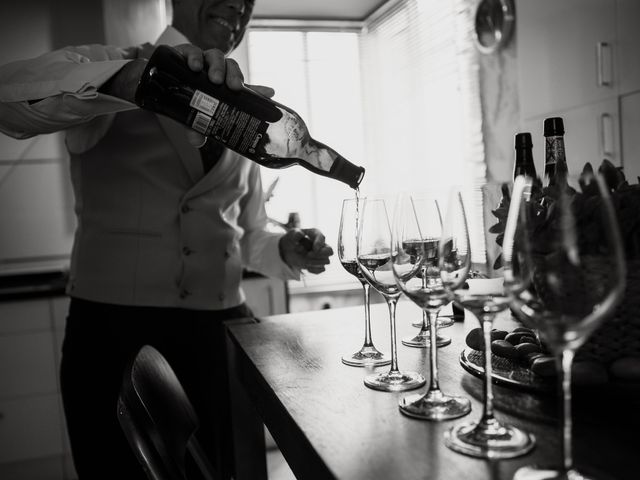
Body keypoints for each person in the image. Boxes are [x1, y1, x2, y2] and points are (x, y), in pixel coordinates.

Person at [0, 0, 334, 478]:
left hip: (222, 337)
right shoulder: (111, 63)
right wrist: (133, 80)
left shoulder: (252, 114)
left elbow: (249, 230)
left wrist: (283, 249)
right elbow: (7, 98)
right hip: (115, 337)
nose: (238, 6)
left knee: (227, 470)